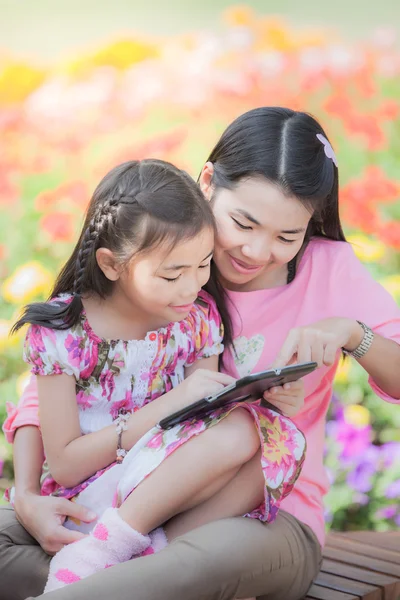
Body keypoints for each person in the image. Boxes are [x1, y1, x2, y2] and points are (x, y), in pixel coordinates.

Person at [1, 106, 399, 600]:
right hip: (122, 489)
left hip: (268, 510)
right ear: (208, 180)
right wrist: (26, 498)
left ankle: (105, 574)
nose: (256, 251)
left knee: (198, 564)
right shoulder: (172, 260)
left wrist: (351, 332)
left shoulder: (329, 270)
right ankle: (116, 567)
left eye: (286, 237)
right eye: (243, 222)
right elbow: (59, 380)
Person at [6, 156, 306, 594]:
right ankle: (103, 554)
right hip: (90, 493)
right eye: (172, 274)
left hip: (164, 490)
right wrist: (174, 401)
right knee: (243, 432)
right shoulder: (66, 333)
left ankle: (137, 558)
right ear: (111, 264)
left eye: (202, 265)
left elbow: (195, 428)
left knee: (266, 440)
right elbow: (68, 465)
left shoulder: (196, 319)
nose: (192, 286)